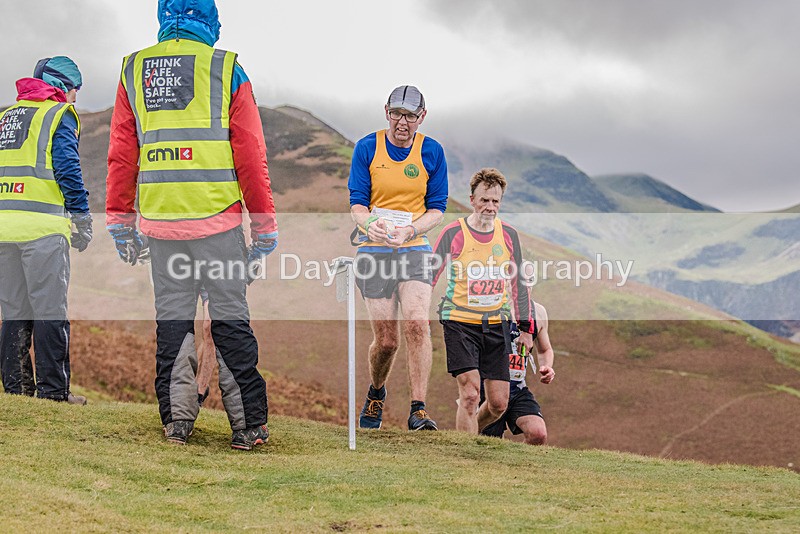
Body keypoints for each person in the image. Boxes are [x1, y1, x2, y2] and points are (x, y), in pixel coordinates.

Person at [106, 0, 278, 450]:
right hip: (218, 225)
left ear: (164, 17)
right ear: (211, 19)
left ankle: (177, 423)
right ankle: (248, 427)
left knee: (173, 323)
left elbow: (123, 155)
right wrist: (264, 228)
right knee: (230, 323)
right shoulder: (226, 68)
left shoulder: (133, 70)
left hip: (161, 227)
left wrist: (121, 222)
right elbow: (251, 157)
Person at [349, 85, 448, 431]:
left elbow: (437, 209)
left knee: (418, 324)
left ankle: (418, 408)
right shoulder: (367, 147)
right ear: (386, 112)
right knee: (387, 340)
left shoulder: (432, 151)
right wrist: (371, 225)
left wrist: (410, 231)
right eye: (396, 113)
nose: (401, 122)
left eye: (409, 115)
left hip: (414, 247)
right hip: (374, 250)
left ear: (422, 117)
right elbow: (357, 204)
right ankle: (376, 392)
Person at [0, 56, 91, 405]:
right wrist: (82, 218)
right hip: (41, 230)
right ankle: (53, 393)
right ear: (62, 87)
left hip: (4, 229)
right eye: (75, 90)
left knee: (14, 312)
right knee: (50, 311)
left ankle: (16, 391)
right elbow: (67, 168)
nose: (75, 98)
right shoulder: (58, 115)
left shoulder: (8, 116)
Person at [431, 168, 535, 434]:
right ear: (472, 200)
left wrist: (525, 328)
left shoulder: (509, 235)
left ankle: (466, 433)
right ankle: (464, 459)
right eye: (484, 200)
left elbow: (518, 283)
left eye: (495, 201)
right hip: (459, 322)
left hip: (496, 324)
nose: (490, 207)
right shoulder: (453, 233)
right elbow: (428, 275)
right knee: (470, 393)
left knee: (499, 403)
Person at [481, 301, 555, 445]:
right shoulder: (489, 304)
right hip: (488, 387)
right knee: (489, 444)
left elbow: (545, 349)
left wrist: (547, 366)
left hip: (517, 388)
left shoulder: (538, 311)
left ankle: (522, 466)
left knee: (538, 434)